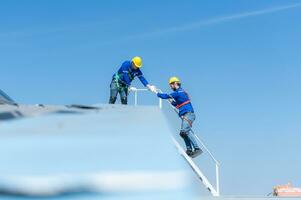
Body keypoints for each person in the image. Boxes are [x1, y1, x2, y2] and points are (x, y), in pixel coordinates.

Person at [155, 77, 202, 158]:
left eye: (171, 85)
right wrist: (172, 102)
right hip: (186, 115)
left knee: (184, 131)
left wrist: (156, 92)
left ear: (175, 83)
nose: (170, 87)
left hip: (188, 114)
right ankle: (189, 150)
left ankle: (197, 149)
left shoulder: (179, 91)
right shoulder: (180, 93)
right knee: (183, 133)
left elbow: (165, 96)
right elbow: (178, 105)